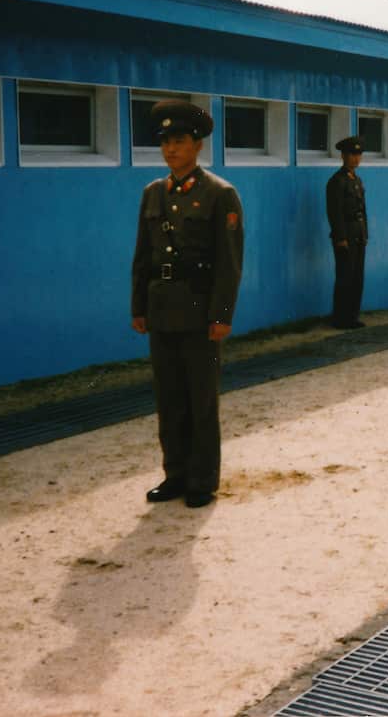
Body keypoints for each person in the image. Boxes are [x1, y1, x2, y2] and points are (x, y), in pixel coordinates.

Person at [131, 100, 243, 507]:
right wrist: (138, 307)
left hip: (199, 312)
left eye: (179, 142)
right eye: (165, 143)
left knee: (200, 399)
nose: (171, 150)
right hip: (161, 310)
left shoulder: (220, 194)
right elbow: (142, 256)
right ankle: (174, 475)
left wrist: (222, 315)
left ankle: (201, 481)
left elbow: (229, 263)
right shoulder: (152, 194)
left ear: (197, 145)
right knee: (169, 398)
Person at [326, 135, 369, 329]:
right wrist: (340, 237)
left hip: (358, 233)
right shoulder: (337, 181)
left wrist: (365, 233)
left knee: (357, 277)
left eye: (359, 154)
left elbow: (363, 209)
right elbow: (335, 212)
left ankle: (352, 316)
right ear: (343, 156)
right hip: (346, 235)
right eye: (352, 154)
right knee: (345, 276)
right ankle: (340, 318)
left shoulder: (357, 180)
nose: (356, 158)